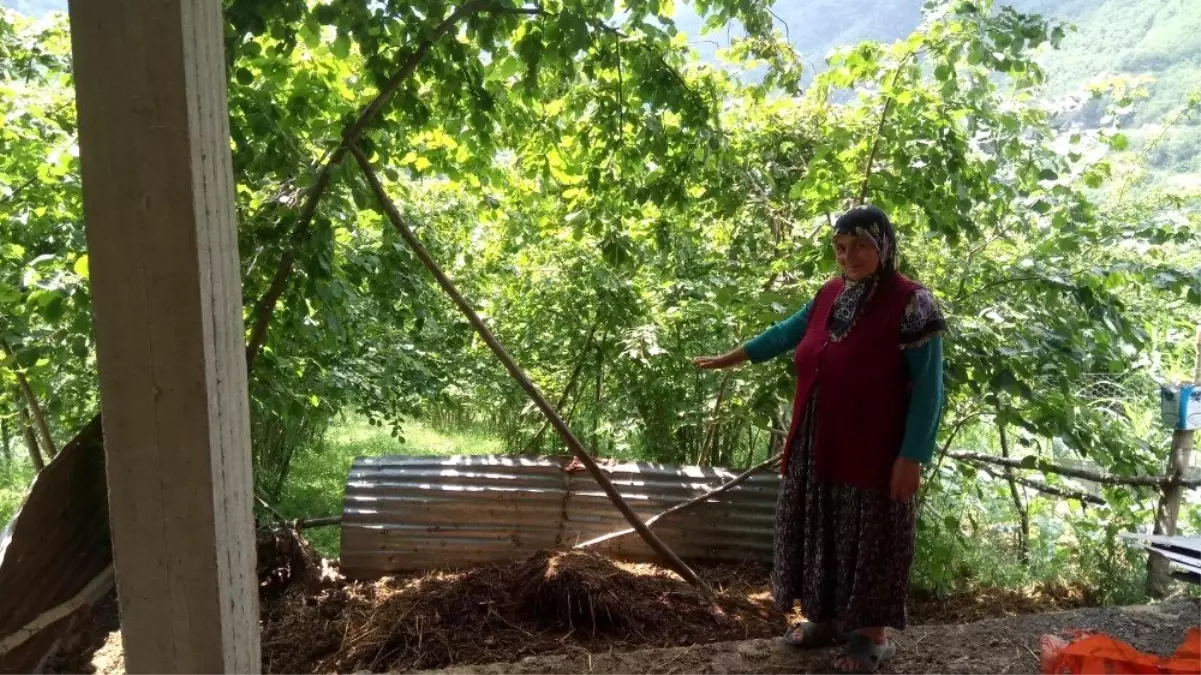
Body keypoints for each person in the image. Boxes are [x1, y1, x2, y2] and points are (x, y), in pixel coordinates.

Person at [692, 205, 945, 673]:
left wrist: (912, 455)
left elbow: (930, 388)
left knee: (869, 539)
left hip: (874, 451)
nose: (849, 256)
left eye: (861, 246)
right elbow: (790, 332)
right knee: (820, 530)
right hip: (817, 445)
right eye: (841, 247)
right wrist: (735, 356)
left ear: (884, 247)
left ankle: (871, 635)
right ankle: (825, 618)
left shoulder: (912, 303)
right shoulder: (830, 294)